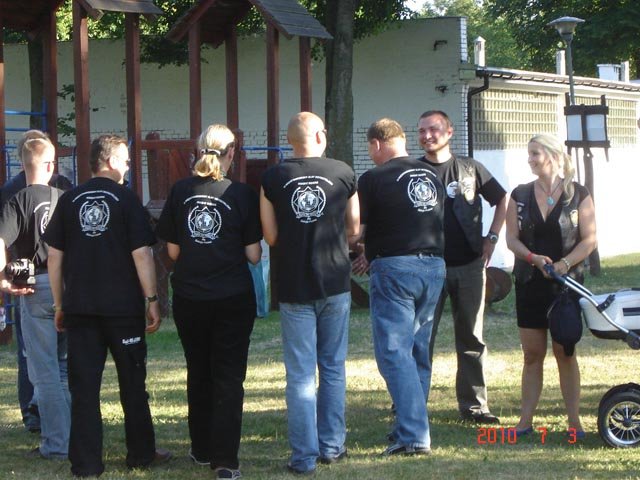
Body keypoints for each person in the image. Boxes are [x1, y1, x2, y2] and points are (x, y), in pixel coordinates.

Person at [44, 134, 171, 477]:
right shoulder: (127, 199)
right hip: (122, 309)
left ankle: (86, 463)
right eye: (126, 161)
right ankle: (141, 454)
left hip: (80, 308)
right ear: (112, 161)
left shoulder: (69, 199)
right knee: (132, 382)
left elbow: (54, 256)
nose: (128, 167)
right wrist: (151, 299)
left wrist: (59, 303)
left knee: (84, 388)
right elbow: (142, 253)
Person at [156, 124, 262, 480]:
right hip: (233, 297)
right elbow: (253, 255)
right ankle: (225, 460)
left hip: (190, 296)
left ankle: (201, 448)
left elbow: (172, 252)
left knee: (198, 371)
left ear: (197, 151)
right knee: (229, 376)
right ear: (232, 153)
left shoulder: (180, 190)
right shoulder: (241, 194)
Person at [260, 112, 359, 474]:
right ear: (320, 136)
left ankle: (303, 456)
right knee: (332, 367)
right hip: (334, 280)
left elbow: (270, 236)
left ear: (290, 141)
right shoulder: (343, 172)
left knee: (300, 374)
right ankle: (332, 446)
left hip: (293, 284)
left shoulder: (272, 177)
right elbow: (354, 227)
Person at [353, 118, 445, 455]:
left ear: (377, 143)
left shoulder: (373, 178)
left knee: (394, 353)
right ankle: (411, 425)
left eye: (370, 149)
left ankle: (413, 434)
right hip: (434, 266)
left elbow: (357, 231)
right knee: (418, 349)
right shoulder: (432, 176)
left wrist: (354, 245)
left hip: (395, 269)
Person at [418, 110, 506, 424]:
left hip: (469, 266)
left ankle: (474, 406)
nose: (427, 136)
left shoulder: (471, 169)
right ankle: (411, 404)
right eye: (422, 131)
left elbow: (502, 199)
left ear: (450, 131)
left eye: (433, 129)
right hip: (426, 267)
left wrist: (492, 238)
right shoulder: (413, 172)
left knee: (471, 339)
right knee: (419, 339)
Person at [506, 133, 596, 438]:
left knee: (564, 353)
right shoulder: (519, 195)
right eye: (529, 153)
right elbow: (511, 239)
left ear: (554, 157)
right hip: (529, 283)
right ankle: (524, 422)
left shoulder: (578, 194)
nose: (530, 159)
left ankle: (575, 423)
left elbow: (590, 239)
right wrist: (532, 258)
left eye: (535, 153)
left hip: (566, 287)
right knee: (532, 355)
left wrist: (564, 264)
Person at [0, 134, 70, 459]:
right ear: (50, 165)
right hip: (66, 285)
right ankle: (72, 437)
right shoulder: (64, 198)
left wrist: (4, 279)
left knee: (44, 372)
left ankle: (57, 444)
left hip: (33, 286)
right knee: (63, 368)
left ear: (23, 165)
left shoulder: (18, 200)